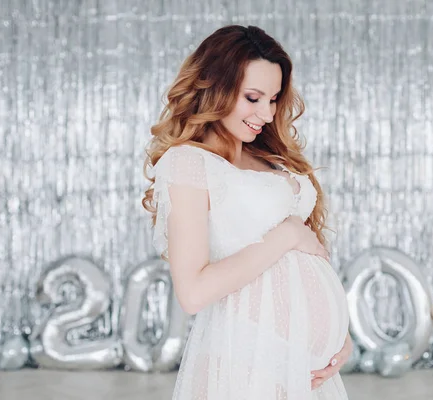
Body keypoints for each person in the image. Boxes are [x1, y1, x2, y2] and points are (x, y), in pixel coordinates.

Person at [142, 25, 353, 399]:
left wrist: (339, 337)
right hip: (244, 358)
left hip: (307, 370)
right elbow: (192, 292)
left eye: (273, 99)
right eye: (253, 98)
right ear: (214, 87)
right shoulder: (188, 163)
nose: (267, 114)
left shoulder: (269, 158)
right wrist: (286, 235)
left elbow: (304, 264)